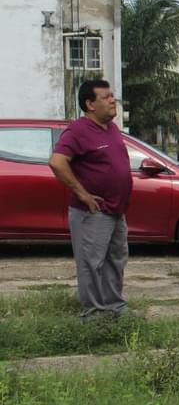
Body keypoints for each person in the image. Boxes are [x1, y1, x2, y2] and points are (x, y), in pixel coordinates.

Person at [48, 79, 132, 320]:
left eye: (112, 96)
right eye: (106, 97)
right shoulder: (78, 130)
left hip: (116, 210)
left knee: (115, 261)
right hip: (93, 212)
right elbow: (57, 162)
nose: (113, 100)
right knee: (91, 263)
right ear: (90, 104)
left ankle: (114, 307)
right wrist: (82, 194)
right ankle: (93, 314)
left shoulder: (111, 128)